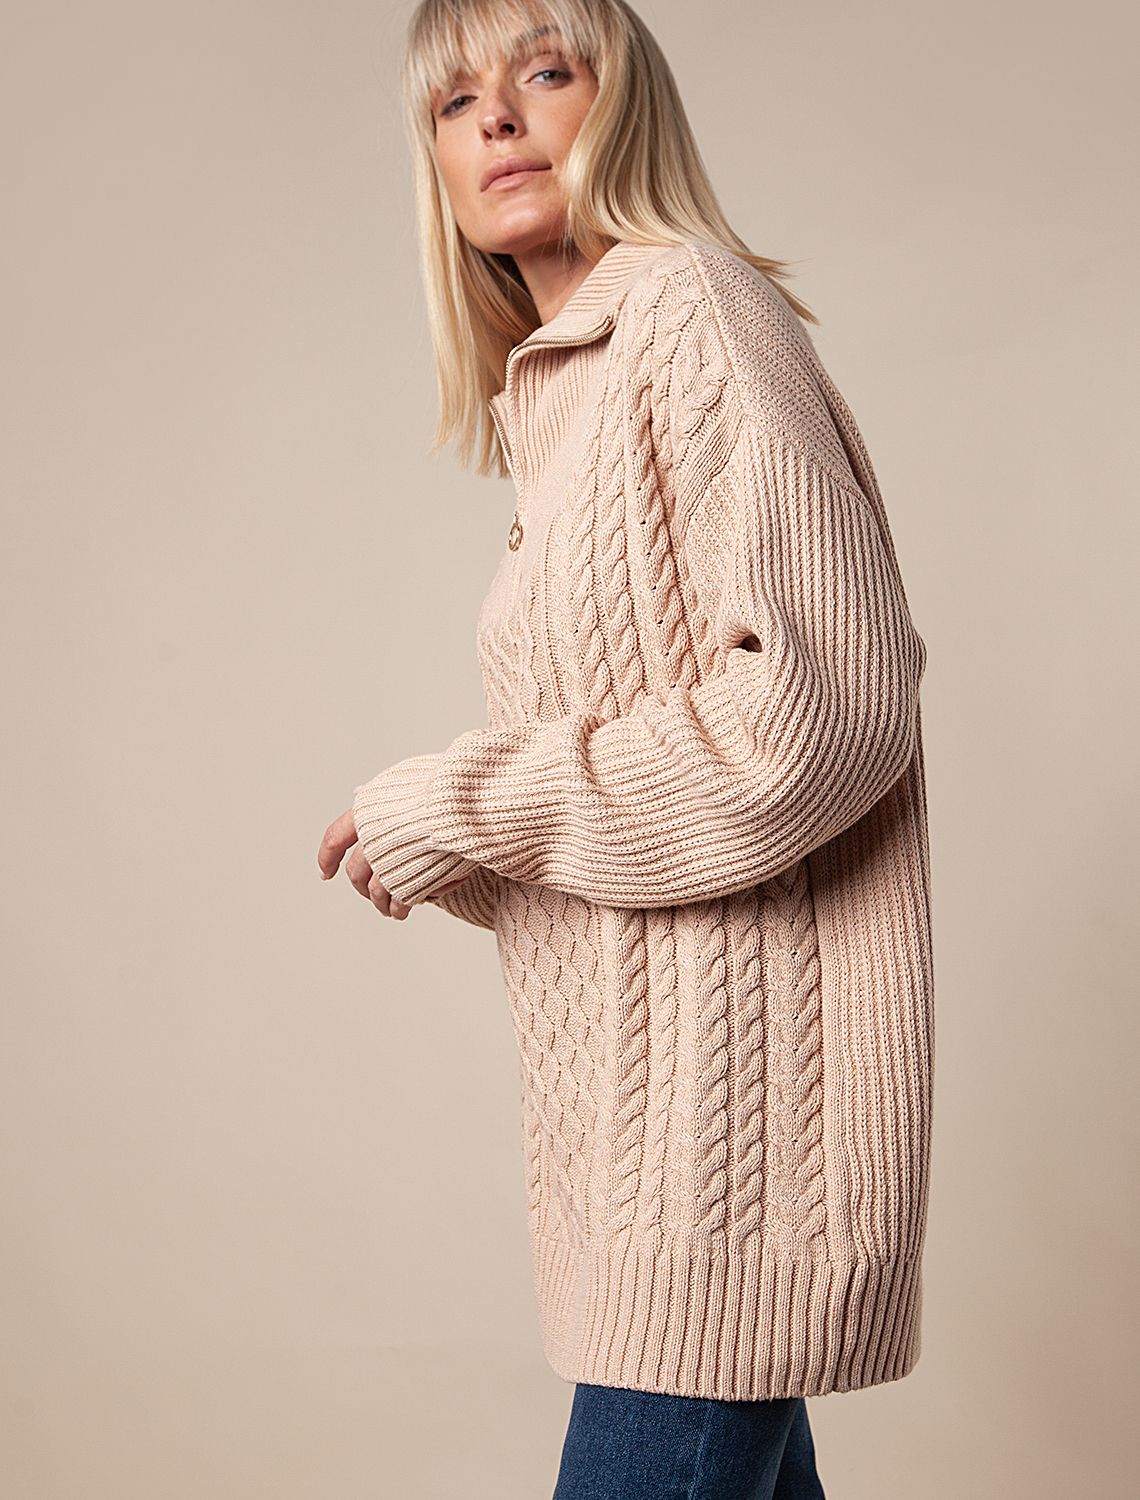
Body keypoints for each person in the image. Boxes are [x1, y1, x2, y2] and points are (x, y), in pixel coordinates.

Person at [318, 2, 935, 1495]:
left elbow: (823, 713)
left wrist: (469, 803)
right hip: (648, 1165)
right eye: (455, 100)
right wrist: (460, 845)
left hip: (723, 1176)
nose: (498, 116)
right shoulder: (567, 389)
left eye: (544, 70)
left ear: (623, 105)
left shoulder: (692, 313)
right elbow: (652, 800)